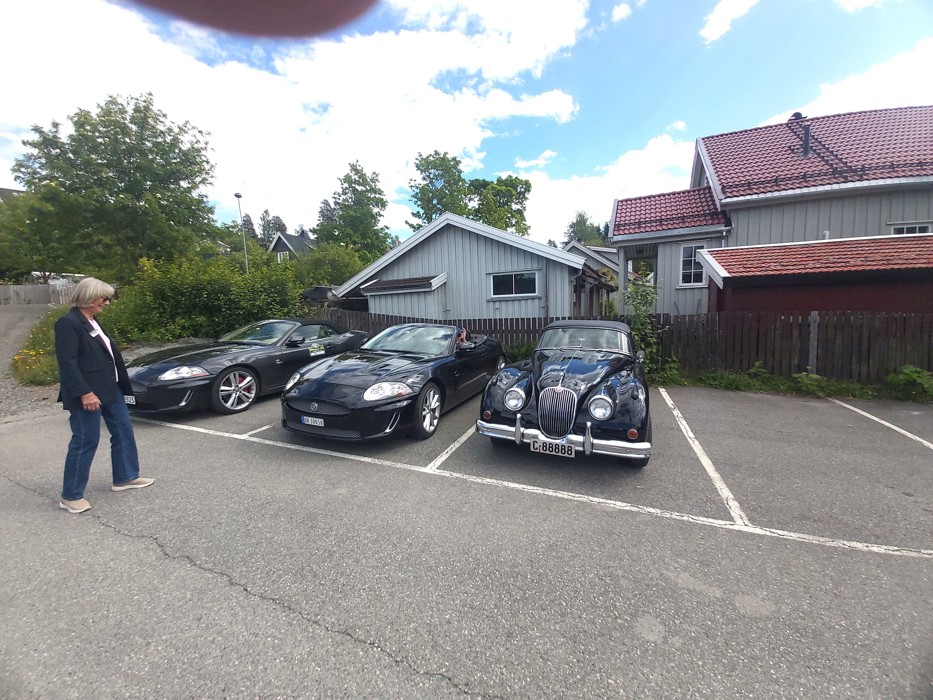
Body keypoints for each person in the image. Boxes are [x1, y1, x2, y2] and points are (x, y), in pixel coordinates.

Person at [55, 278, 154, 513]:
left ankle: (125, 477)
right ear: (89, 297)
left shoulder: (92, 321)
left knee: (123, 431)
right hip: (88, 394)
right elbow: (67, 363)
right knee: (85, 440)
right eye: (104, 298)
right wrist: (85, 393)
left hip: (111, 389)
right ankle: (71, 495)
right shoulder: (68, 323)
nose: (107, 303)